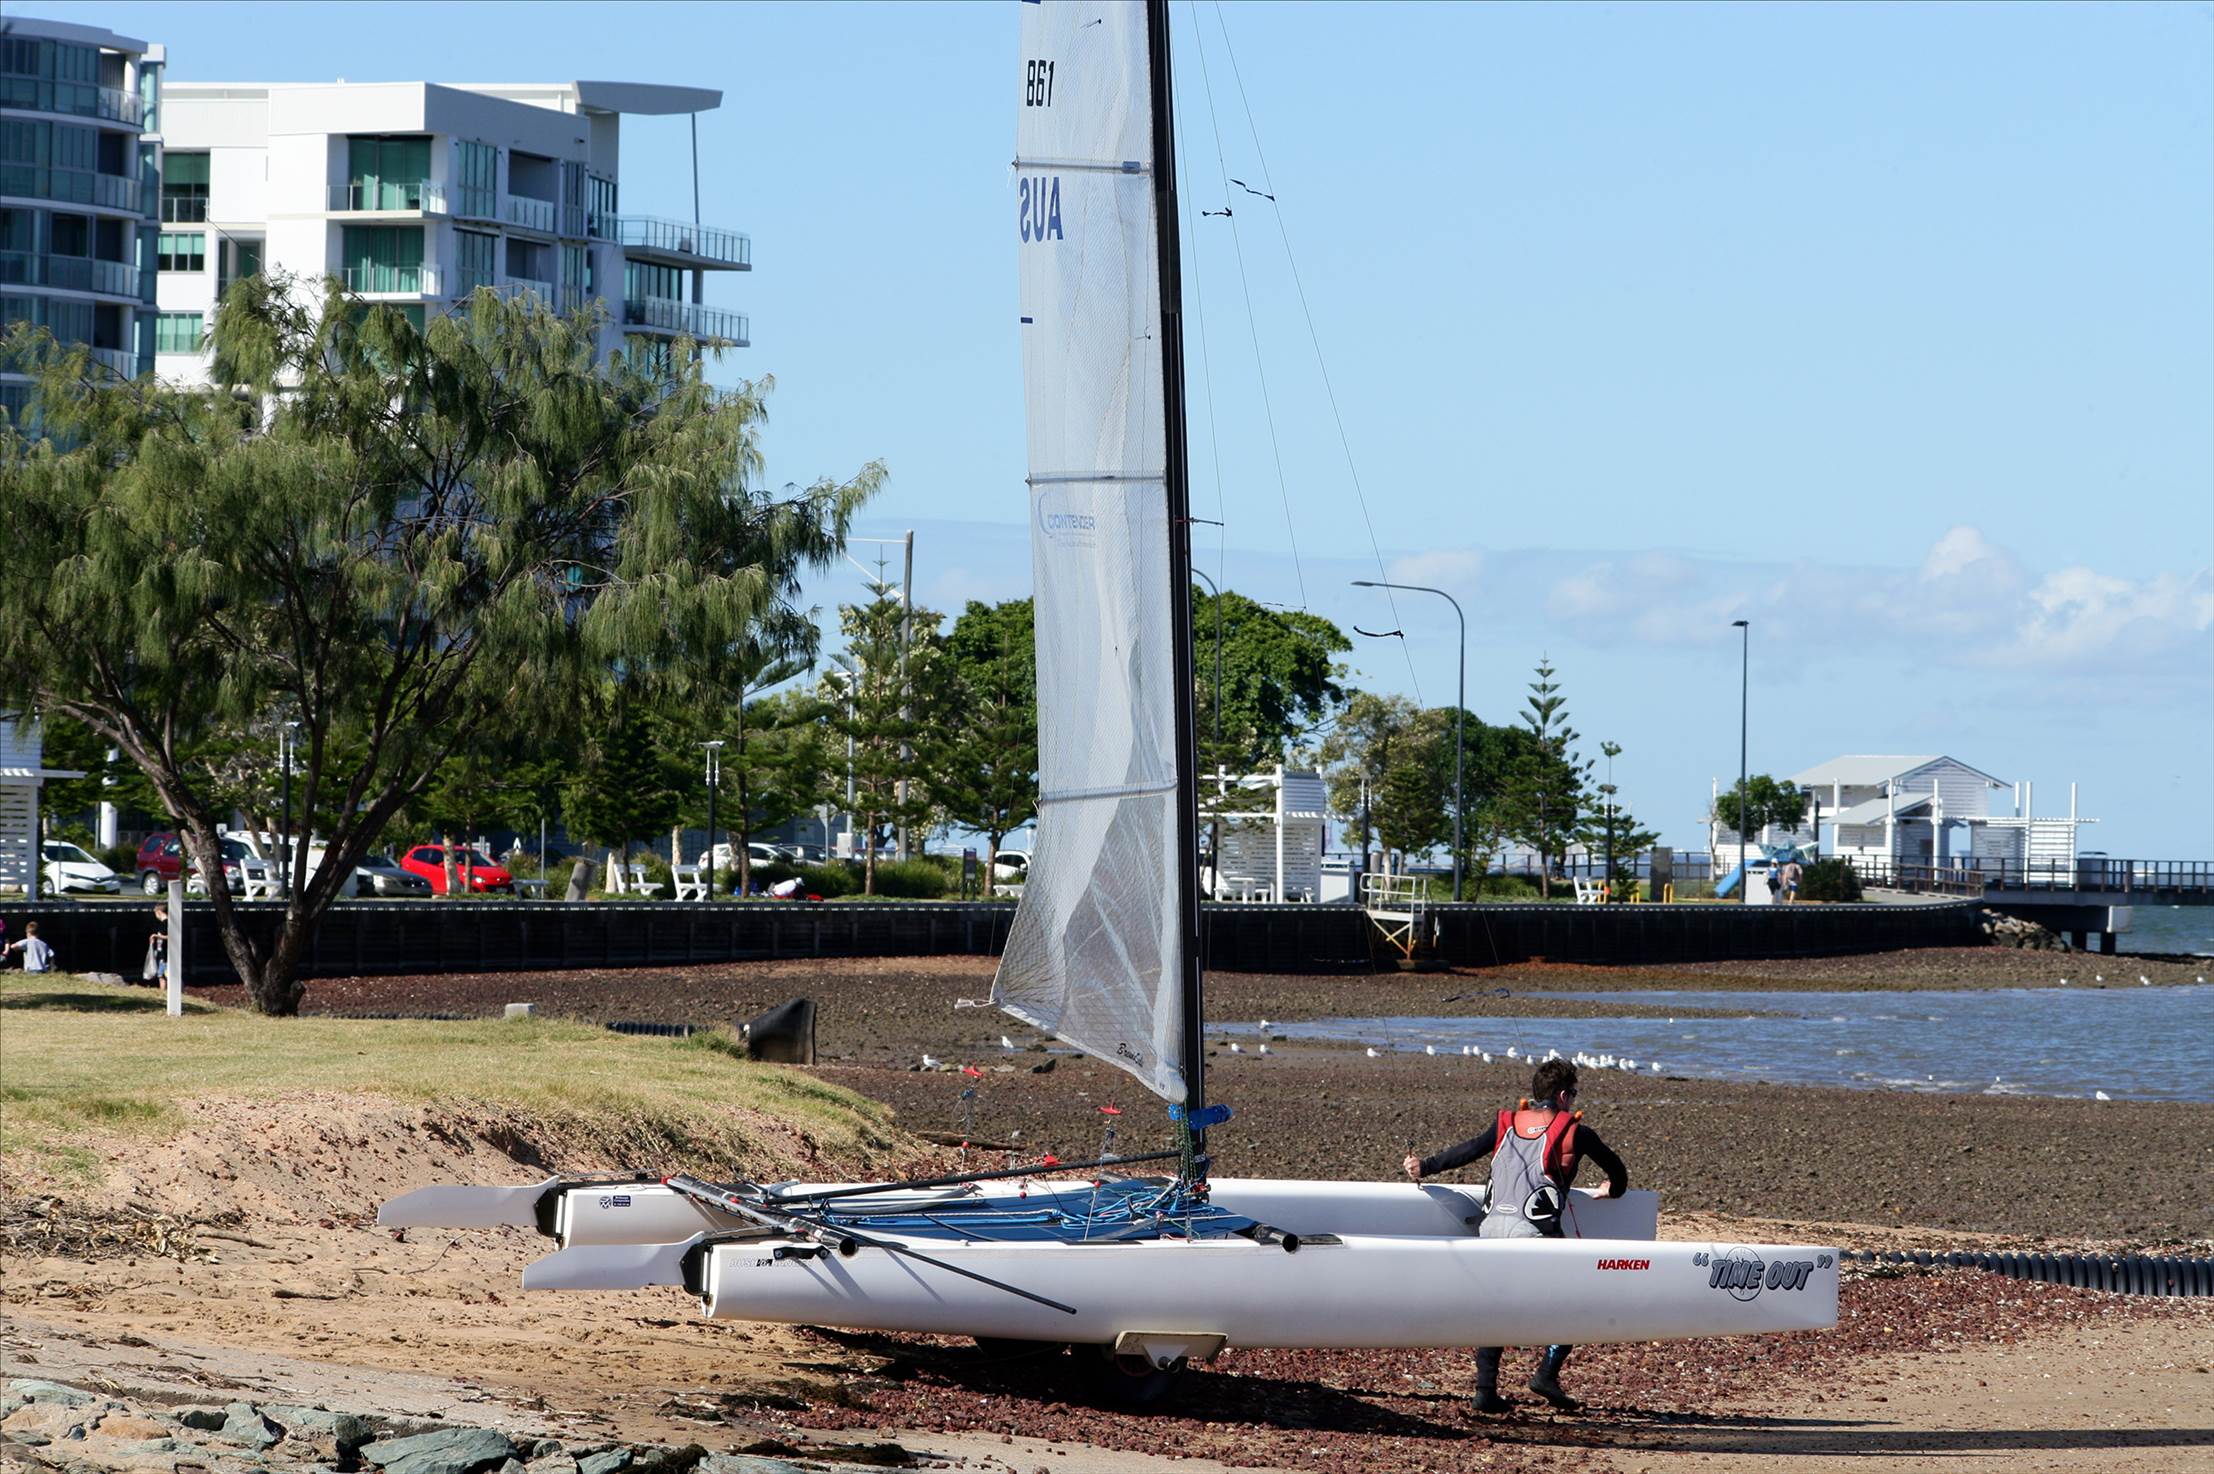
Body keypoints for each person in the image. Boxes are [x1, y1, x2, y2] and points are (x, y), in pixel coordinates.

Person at [1404, 1058, 1628, 1413]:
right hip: (1535, 1237)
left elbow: (1466, 1151)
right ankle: (1546, 1374)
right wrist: (1609, 1191)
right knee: (1579, 1297)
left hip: (1490, 1230)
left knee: (1496, 1304)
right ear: (1564, 1095)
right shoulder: (1576, 1132)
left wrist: (1424, 1166)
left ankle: (1485, 1391)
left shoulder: (1505, 1124)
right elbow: (1619, 1174)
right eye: (1574, 1094)